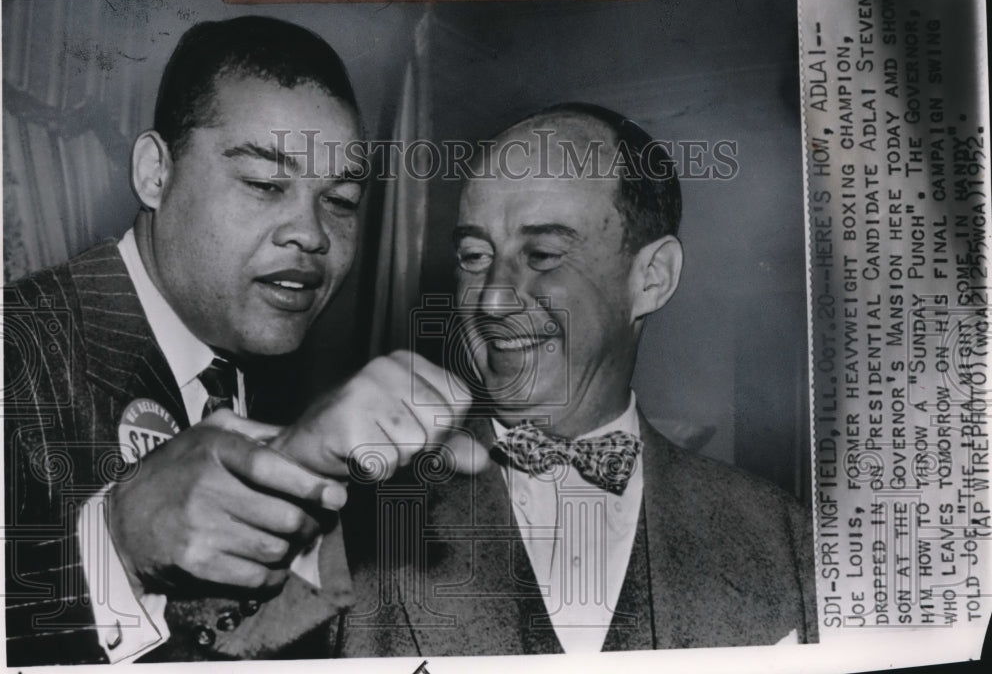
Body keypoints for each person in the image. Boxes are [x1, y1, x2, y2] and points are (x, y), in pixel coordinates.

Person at [3, 15, 473, 665]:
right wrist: (116, 547)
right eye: (264, 184)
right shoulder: (15, 351)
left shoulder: (255, 364)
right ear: (153, 174)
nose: (310, 233)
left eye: (340, 199)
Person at [338, 103, 818, 655]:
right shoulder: (358, 516)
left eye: (542, 254)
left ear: (652, 278)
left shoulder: (782, 539)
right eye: (474, 256)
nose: (493, 298)